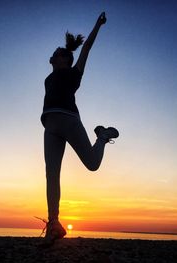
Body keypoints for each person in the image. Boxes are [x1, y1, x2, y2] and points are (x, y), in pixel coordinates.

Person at [40, 12, 119, 245]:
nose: (53, 55)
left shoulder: (74, 74)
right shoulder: (47, 78)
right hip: (50, 125)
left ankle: (102, 137)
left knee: (92, 165)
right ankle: (53, 224)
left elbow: (86, 49)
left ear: (65, 59)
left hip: (69, 120)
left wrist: (98, 24)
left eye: (57, 54)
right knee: (51, 174)